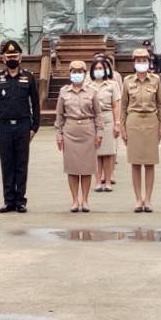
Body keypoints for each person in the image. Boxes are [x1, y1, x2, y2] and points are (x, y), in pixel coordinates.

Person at [0, 40, 39, 213]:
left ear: (20, 58)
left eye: (15, 56)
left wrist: (34, 127)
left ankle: (20, 201)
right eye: (9, 56)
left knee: (21, 164)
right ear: (3, 58)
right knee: (7, 164)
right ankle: (8, 200)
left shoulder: (29, 77)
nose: (12, 59)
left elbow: (36, 104)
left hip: (23, 125)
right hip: (3, 127)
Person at [119, 47, 161, 213]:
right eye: (138, 61)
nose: (141, 63)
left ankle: (148, 199)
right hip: (134, 121)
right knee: (136, 163)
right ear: (134, 63)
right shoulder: (127, 81)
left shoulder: (155, 80)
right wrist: (121, 126)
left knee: (150, 163)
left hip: (151, 121)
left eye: (144, 60)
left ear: (148, 61)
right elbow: (123, 105)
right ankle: (138, 199)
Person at [54, 60, 103, 212]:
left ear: (84, 73)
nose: (77, 74)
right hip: (70, 131)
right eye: (74, 72)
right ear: (70, 74)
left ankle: (85, 200)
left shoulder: (92, 91)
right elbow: (59, 116)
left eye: (80, 71)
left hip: (88, 131)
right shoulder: (64, 92)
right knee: (73, 168)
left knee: (87, 168)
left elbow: (98, 114)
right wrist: (58, 135)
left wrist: (99, 133)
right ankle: (75, 200)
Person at [90, 55, 121, 191]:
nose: (98, 70)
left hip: (108, 118)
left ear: (105, 70)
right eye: (96, 68)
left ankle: (108, 181)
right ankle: (98, 181)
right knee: (96, 152)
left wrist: (117, 123)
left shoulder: (112, 85)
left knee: (108, 153)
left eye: (101, 68)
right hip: (93, 120)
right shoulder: (87, 85)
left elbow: (116, 105)